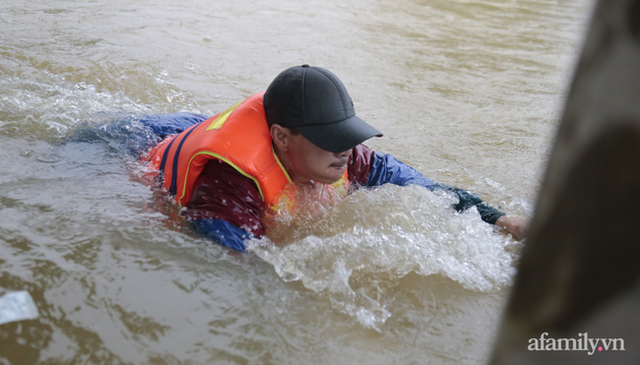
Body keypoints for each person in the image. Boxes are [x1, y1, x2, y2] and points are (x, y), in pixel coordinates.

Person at [139, 65, 528, 251]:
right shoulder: (234, 186)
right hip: (141, 144)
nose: (344, 150)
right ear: (281, 138)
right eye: (330, 138)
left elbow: (426, 189)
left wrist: (498, 219)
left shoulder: (348, 157)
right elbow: (225, 261)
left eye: (348, 135)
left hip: (204, 125)